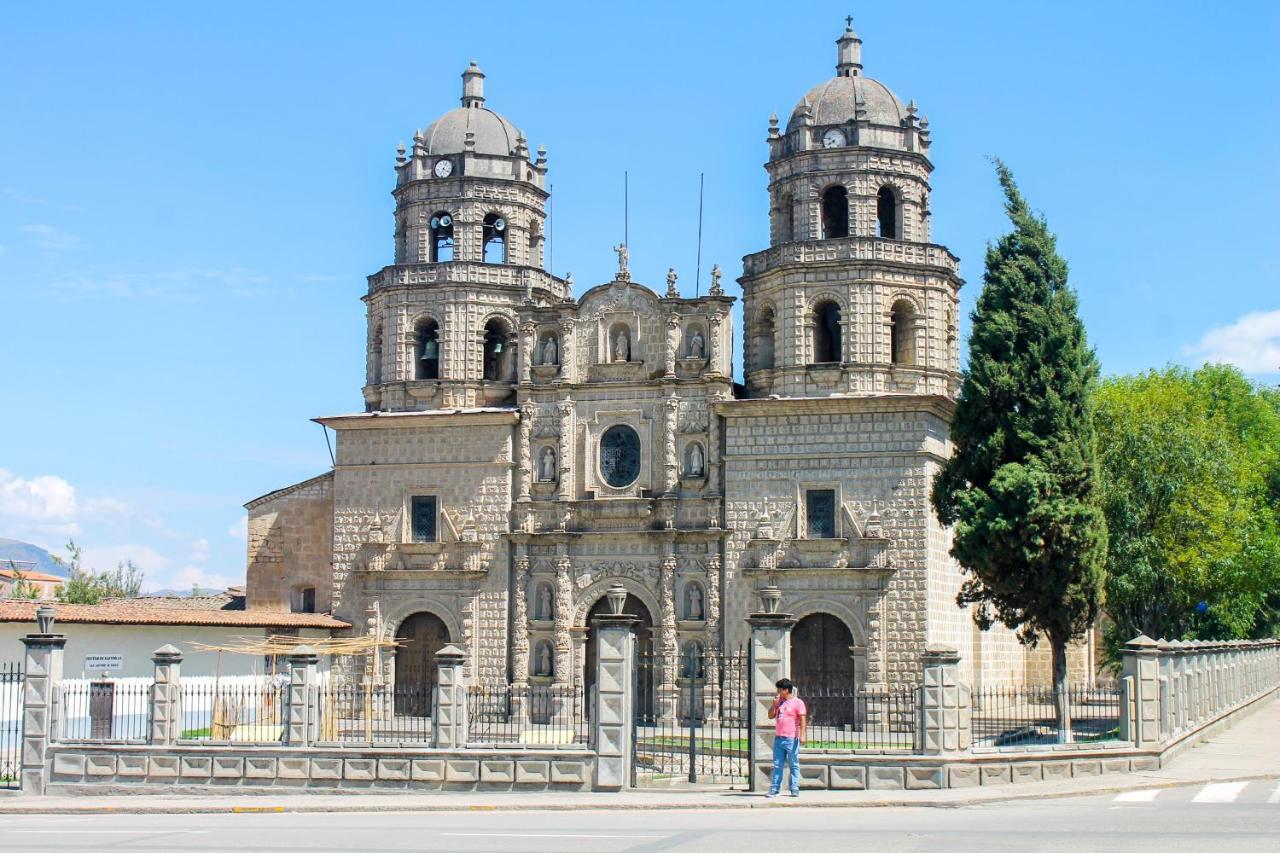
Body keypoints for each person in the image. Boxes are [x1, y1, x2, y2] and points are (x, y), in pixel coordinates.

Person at [766, 677, 806, 797]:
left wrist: (802, 736)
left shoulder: (798, 702)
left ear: (786, 690)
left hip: (791, 738)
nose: (778, 692)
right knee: (777, 764)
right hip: (779, 738)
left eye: (779, 690)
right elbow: (770, 716)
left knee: (793, 764)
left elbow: (803, 720)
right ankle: (775, 788)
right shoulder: (779, 702)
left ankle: (794, 788)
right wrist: (774, 705)